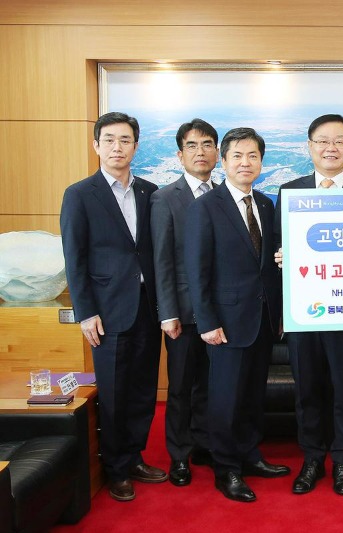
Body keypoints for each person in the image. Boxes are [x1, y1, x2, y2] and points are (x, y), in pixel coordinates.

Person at [60, 111, 166, 501]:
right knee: (115, 393)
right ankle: (116, 468)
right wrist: (85, 312)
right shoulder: (79, 194)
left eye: (125, 140)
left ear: (135, 146)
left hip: (147, 307)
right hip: (106, 311)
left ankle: (134, 456)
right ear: (96, 145)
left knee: (142, 389)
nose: (117, 147)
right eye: (109, 140)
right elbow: (75, 258)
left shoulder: (150, 191)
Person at [184, 127, 289, 503]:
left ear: (261, 162)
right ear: (223, 161)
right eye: (238, 156)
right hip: (225, 323)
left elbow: (269, 265)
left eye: (253, 156)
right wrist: (207, 321)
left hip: (262, 319)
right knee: (225, 398)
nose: (246, 162)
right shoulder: (205, 207)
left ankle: (250, 454)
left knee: (252, 395)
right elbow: (196, 270)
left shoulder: (265, 204)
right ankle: (226, 468)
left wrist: (279, 312)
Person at [274, 114, 343, 496]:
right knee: (308, 389)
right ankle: (313, 458)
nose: (331, 148)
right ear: (310, 146)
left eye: (339, 141)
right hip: (304, 313)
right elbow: (276, 247)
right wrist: (280, 257)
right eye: (323, 141)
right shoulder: (289, 192)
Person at [150, 118, 218, 486]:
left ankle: (204, 444)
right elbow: (162, 260)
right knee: (180, 387)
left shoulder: (223, 194)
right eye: (192, 145)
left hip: (218, 312)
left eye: (207, 144)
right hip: (184, 312)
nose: (200, 152)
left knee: (209, 384)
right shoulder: (165, 198)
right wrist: (168, 312)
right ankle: (179, 455)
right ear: (180, 155)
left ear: (217, 152)